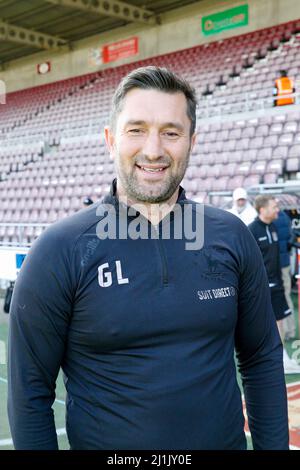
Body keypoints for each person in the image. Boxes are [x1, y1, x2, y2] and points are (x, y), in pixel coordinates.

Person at [8, 66, 289, 450]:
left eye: (171, 133)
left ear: (192, 141)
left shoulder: (231, 237)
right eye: (136, 129)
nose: (154, 150)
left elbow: (261, 357)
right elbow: (30, 393)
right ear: (110, 139)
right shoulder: (59, 251)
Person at [248, 196, 300, 374]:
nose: (278, 209)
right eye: (274, 206)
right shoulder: (252, 230)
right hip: (261, 286)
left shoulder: (274, 227)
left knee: (280, 321)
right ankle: (275, 360)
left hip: (277, 284)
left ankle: (282, 357)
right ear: (262, 209)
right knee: (266, 324)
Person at [273, 210, 296, 340]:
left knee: (280, 297)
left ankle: (286, 331)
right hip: (284, 263)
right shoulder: (285, 217)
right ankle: (290, 331)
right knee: (285, 296)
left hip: (276, 264)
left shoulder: (271, 220)